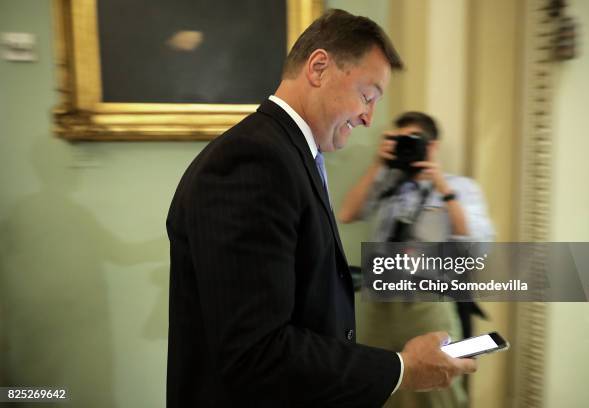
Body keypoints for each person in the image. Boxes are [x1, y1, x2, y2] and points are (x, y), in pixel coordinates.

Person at [166, 10, 477, 407]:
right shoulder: (255, 160)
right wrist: (402, 368)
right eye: (367, 96)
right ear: (318, 68)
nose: (368, 118)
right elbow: (257, 352)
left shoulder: (287, 153)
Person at [339, 111, 494, 408]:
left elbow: (476, 245)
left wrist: (441, 188)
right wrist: (378, 165)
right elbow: (347, 213)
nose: (405, 147)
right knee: (380, 389)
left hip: (428, 300)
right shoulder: (388, 186)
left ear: (432, 145)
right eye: (398, 141)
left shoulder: (460, 188)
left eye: (412, 141)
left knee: (438, 390)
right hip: (379, 302)